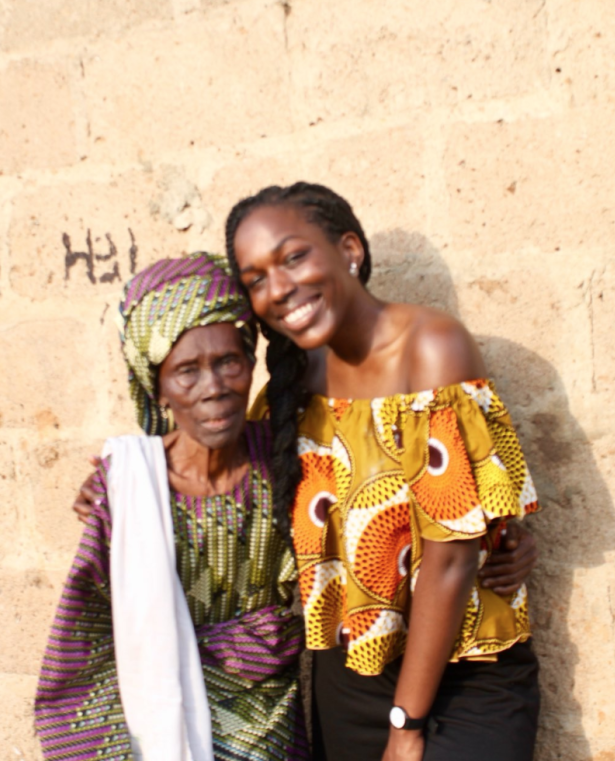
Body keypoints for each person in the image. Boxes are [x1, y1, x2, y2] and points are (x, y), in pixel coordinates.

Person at [225, 183, 542, 761]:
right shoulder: (286, 396)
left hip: (466, 673)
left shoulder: (433, 348)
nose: (279, 288)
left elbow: (450, 556)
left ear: (349, 249)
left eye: (294, 257)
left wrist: (406, 725)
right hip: (348, 679)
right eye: (255, 279)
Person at [34, 252, 308, 761]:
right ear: (156, 388)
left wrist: (498, 546)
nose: (215, 388)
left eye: (229, 361)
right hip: (165, 723)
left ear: (251, 364)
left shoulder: (286, 458)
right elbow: (87, 632)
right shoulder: (131, 489)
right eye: (187, 371)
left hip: (275, 725)